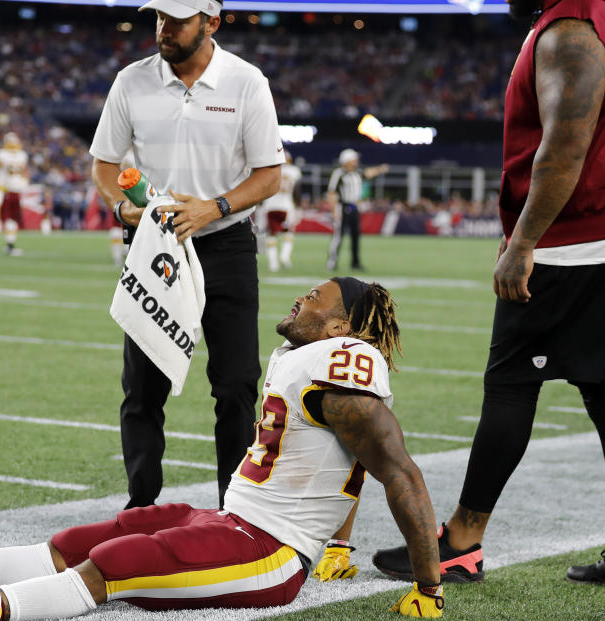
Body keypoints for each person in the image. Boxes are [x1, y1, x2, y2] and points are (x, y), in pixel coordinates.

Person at [0, 278, 445, 621]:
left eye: (314, 298)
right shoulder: (306, 364)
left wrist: (428, 586)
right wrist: (340, 544)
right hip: (234, 518)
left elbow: (399, 473)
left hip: (271, 551)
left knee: (123, 559)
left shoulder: (345, 368)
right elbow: (349, 460)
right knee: (90, 537)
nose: (299, 300)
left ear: (342, 326)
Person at [372, 0, 605, 592]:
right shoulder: (604, 20)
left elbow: (565, 145)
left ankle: (460, 541)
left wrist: (523, 240)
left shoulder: (572, 30)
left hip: (578, 234)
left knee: (512, 382)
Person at [90, 0, 283, 510]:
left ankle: (237, 512)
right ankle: (140, 505)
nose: (164, 29)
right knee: (143, 385)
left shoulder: (246, 81)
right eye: (159, 18)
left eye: (177, 20)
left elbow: (269, 175)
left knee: (237, 384)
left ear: (212, 23)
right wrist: (119, 208)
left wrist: (213, 207)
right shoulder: (131, 80)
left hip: (226, 243)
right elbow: (105, 163)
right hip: (156, 245)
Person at [325, 149, 388, 272]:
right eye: (354, 160)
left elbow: (368, 173)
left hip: (355, 208)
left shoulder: (357, 173)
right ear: (347, 161)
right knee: (338, 236)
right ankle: (332, 262)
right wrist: (333, 210)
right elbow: (331, 192)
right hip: (343, 207)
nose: (356, 162)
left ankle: (355, 263)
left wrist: (380, 169)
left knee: (355, 237)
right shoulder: (339, 173)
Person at [0, 132, 30, 256]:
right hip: (6, 191)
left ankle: (3, 246)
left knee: (8, 219)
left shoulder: (4, 155)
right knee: (3, 219)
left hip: (6, 190)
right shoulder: (20, 155)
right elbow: (25, 173)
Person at [257, 151, 303, 271]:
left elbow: (262, 188)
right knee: (288, 232)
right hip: (286, 207)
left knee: (271, 234)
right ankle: (285, 257)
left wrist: (260, 204)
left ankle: (273, 264)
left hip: (270, 206)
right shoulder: (294, 171)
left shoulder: (270, 170)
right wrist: (297, 205)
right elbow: (297, 190)